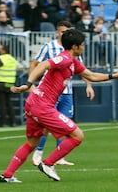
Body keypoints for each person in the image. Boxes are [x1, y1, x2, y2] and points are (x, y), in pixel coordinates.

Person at [0, 29, 118, 183]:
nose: (84, 47)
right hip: (42, 106)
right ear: (75, 46)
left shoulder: (73, 63)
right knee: (78, 136)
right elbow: (43, 64)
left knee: (32, 143)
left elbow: (91, 76)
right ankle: (48, 164)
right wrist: (28, 84)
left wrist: (114, 75)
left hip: (33, 104)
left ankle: (7, 175)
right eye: (82, 45)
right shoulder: (64, 60)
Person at [30, 21, 95, 166]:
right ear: (57, 32)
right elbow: (36, 64)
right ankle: (39, 152)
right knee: (46, 125)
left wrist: (88, 85)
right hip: (49, 93)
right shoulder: (49, 47)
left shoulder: (75, 48)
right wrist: (31, 85)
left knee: (65, 124)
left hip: (67, 92)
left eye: (67, 31)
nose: (64, 34)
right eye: (62, 31)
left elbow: (83, 70)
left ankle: (59, 156)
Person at [0, 44, 17, 127]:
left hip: (0, 83)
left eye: (0, 49)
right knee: (9, 103)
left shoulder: (0, 59)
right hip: (10, 83)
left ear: (3, 50)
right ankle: (13, 121)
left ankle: (2, 122)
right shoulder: (13, 59)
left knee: (1, 103)